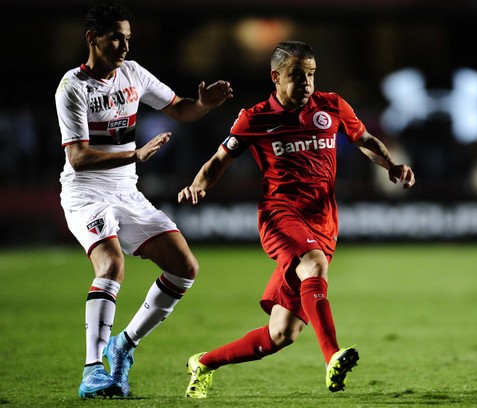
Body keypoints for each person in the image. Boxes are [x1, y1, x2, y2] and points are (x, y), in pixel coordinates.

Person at [178, 40, 415, 398]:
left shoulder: (331, 106)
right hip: (279, 215)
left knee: (280, 334)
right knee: (313, 264)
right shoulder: (255, 117)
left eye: (311, 75)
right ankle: (332, 355)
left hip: (323, 223)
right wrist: (198, 185)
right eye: (296, 75)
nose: (305, 82)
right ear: (276, 76)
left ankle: (204, 362)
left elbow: (363, 138)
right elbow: (218, 161)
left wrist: (391, 165)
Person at [55, 3, 233, 398]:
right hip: (87, 194)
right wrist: (133, 155)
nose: (124, 45)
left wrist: (204, 104)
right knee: (111, 264)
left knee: (184, 267)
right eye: (116, 37)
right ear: (92, 38)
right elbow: (79, 157)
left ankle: (123, 345)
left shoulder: (133, 73)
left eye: (128, 38)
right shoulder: (73, 87)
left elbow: (180, 109)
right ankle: (92, 370)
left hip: (127, 192)